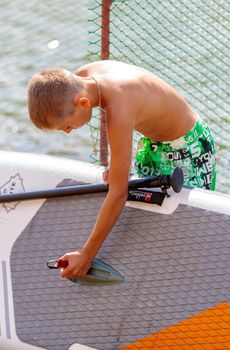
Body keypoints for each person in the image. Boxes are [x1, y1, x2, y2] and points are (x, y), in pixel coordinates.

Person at [27, 60, 216, 279]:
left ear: (84, 103)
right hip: (152, 142)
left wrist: (86, 255)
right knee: (150, 210)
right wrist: (117, 166)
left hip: (189, 147)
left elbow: (119, 193)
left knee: (191, 224)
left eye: (67, 126)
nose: (69, 132)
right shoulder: (82, 77)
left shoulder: (118, 110)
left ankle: (192, 276)